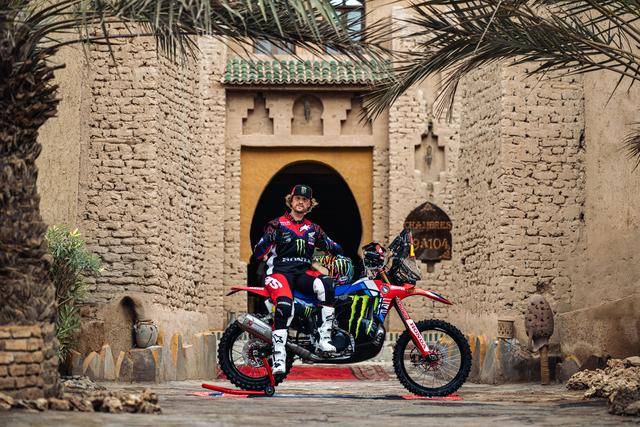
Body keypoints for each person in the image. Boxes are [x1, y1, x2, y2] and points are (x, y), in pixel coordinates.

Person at [253, 184, 343, 374]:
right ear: (291, 201)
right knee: (285, 306)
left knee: (327, 284)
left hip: (302, 274)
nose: (300, 202)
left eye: (305, 200)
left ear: (310, 204)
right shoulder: (276, 224)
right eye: (297, 198)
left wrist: (338, 256)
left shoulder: (313, 229)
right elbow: (258, 252)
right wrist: (267, 239)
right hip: (279, 273)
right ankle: (279, 359)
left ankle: (324, 339)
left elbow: (334, 247)